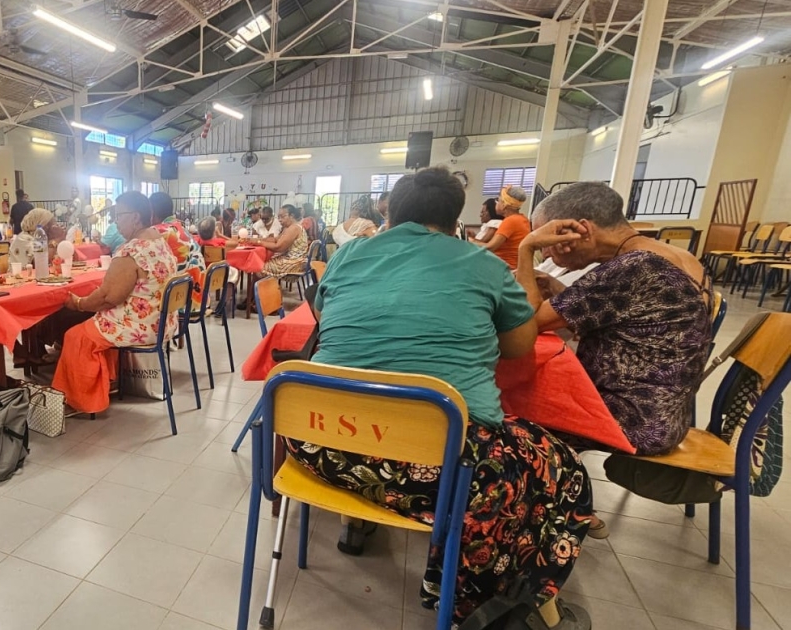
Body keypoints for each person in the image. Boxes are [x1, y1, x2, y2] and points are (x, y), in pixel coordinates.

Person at [296, 167, 591, 628]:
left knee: (405, 417)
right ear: (457, 220)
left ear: (388, 211)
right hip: (439, 463)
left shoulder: (348, 254)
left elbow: (321, 313)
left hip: (319, 444)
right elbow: (518, 348)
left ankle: (358, 523)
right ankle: (487, 598)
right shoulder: (484, 266)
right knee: (556, 465)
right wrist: (526, 256)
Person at [516, 182, 713, 457]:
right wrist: (557, 289)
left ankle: (545, 491)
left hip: (633, 419)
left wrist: (525, 250)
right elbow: (640, 321)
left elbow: (526, 323)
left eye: (545, 240)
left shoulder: (633, 267)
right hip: (667, 414)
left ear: (581, 230)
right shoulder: (679, 257)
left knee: (503, 410)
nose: (546, 252)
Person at [52, 192, 177, 414]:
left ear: (136, 217)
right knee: (89, 321)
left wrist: (78, 303)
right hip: (162, 321)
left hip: (140, 326)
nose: (115, 221)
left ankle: (82, 400)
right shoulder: (159, 240)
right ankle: (107, 382)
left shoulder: (131, 250)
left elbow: (108, 297)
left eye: (119, 215)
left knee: (76, 335)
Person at [477, 185, 529, 269]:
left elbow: (490, 247)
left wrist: (467, 241)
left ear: (504, 205)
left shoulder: (510, 221)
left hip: (504, 269)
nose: (496, 203)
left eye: (498, 200)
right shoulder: (523, 219)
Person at [257, 205, 308, 279]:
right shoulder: (289, 227)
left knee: (258, 267)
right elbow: (276, 239)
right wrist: (258, 240)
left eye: (282, 217)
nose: (280, 220)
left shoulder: (294, 228)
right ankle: (265, 288)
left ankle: (262, 289)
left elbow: (278, 247)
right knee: (262, 262)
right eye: (279, 217)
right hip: (293, 260)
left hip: (294, 263)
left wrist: (259, 242)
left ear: (291, 215)